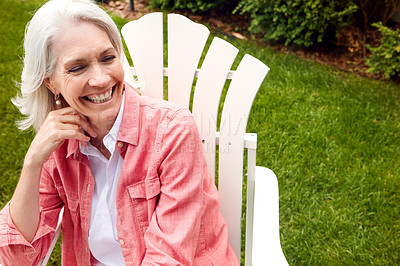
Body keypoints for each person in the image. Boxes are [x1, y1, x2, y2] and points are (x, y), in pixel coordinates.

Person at [0, 0, 239, 265]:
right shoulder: (57, 147)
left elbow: (168, 258)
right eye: (77, 67)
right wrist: (33, 161)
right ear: (50, 82)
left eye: (108, 58)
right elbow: (16, 258)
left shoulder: (173, 131)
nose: (101, 79)